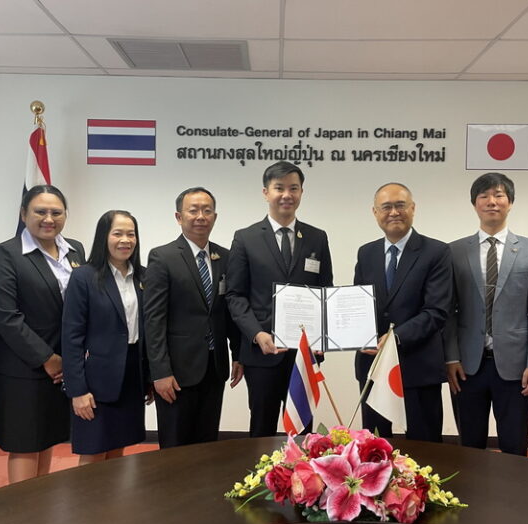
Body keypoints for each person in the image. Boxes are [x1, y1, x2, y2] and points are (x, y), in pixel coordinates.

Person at [444, 172, 528, 456]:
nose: (492, 202)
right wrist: (451, 358)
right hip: (467, 367)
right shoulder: (454, 251)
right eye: (484, 196)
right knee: (469, 447)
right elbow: (448, 311)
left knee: (514, 446)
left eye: (499, 195)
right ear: (475, 204)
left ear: (510, 202)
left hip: (517, 367)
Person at [0, 185, 85, 483]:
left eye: (56, 212)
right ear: (23, 214)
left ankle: (39, 506)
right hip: (24, 368)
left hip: (64, 366)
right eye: (40, 211)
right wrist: (47, 358)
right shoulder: (6, 253)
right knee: (26, 445)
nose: (49, 219)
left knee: (47, 439)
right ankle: (22, 510)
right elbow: (5, 316)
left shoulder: (75, 250)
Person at [226, 161, 333, 437]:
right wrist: (256, 334)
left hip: (304, 354)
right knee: (261, 427)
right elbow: (235, 295)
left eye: (293, 188)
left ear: (301, 192)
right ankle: (260, 469)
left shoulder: (317, 237)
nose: (287, 195)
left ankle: (301, 468)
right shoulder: (245, 238)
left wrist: (323, 337)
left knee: (303, 430)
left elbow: (325, 291)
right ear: (266, 192)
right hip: (263, 352)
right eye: (279, 188)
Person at [144, 188, 242, 448]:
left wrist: (238, 354)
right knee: (175, 446)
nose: (201, 216)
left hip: (214, 367)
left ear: (215, 217)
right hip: (176, 372)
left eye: (207, 211)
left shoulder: (225, 257)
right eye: (193, 210)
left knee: (207, 445)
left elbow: (230, 312)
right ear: (179, 217)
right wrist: (160, 372)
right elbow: (153, 320)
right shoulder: (162, 257)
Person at [353, 183, 452, 441]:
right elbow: (357, 305)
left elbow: (437, 311)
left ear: (413, 208)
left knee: (425, 448)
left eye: (400, 205)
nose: (394, 212)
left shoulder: (437, 252)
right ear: (375, 212)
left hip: (418, 366)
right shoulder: (366, 253)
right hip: (373, 365)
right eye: (386, 207)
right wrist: (348, 333)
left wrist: (396, 338)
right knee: (373, 448)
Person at [61, 210, 149, 463]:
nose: (125, 240)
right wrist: (77, 390)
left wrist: (149, 378)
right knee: (93, 452)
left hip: (132, 376)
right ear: (104, 237)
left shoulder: (144, 276)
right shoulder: (84, 277)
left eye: (131, 234)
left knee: (118, 451)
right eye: (118, 233)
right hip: (96, 381)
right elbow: (71, 337)